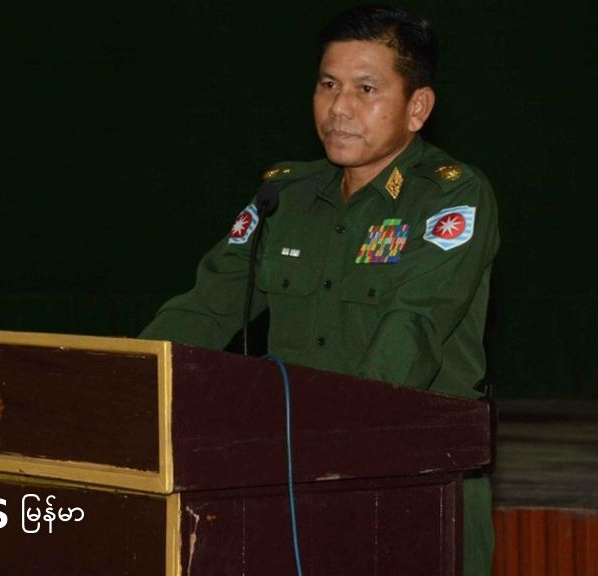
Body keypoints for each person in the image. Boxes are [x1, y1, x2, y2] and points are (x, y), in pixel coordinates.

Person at [140, 4, 498, 574]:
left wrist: (339, 436)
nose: (339, 108)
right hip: (290, 478)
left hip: (411, 482)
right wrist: (130, 388)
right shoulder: (285, 195)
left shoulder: (450, 197)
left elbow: (414, 326)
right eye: (328, 85)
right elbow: (205, 309)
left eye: (365, 89)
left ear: (418, 108)